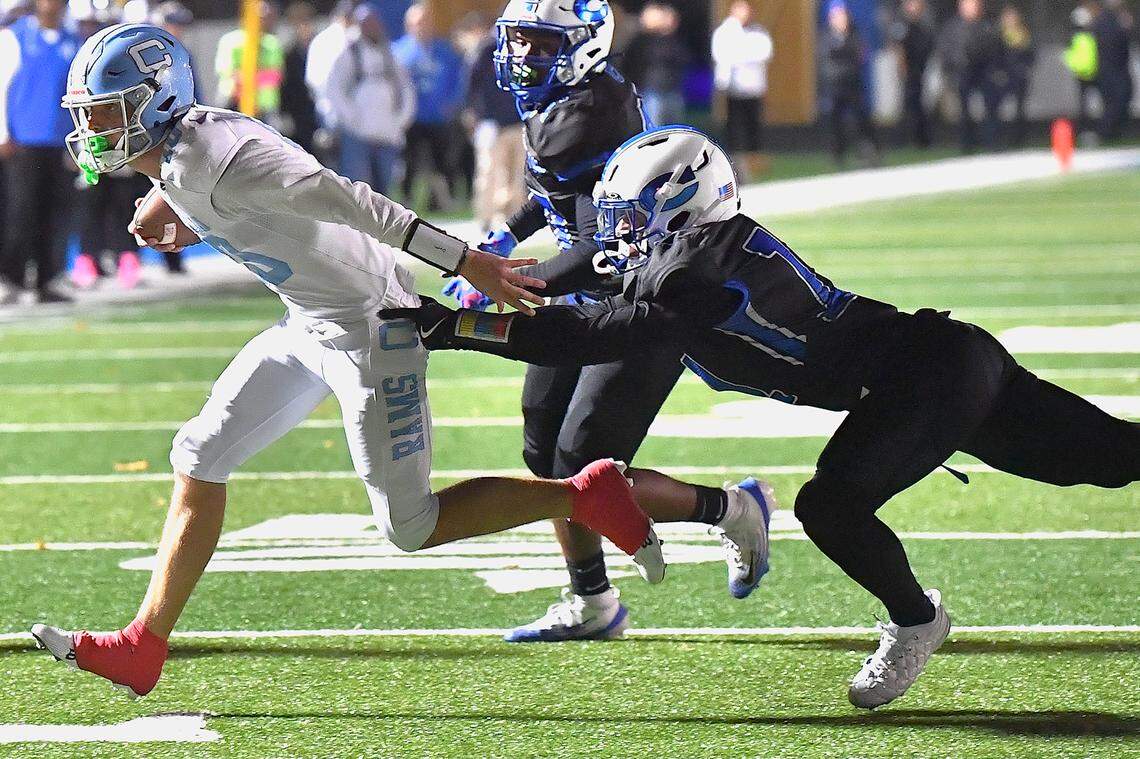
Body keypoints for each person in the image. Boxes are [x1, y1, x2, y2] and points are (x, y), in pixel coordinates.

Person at [29, 24, 777, 700]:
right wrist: (181, 210)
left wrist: (471, 262)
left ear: (157, 104)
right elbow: (248, 204)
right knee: (199, 451)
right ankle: (143, 643)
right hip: (311, 322)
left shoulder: (218, 164)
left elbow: (358, 204)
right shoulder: (188, 159)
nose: (93, 129)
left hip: (369, 327)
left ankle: (582, 494)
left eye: (105, 111)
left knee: (411, 525)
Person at [390, 125, 1140, 708]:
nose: (618, 230)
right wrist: (485, 275)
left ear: (681, 202)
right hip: (937, 363)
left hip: (928, 376)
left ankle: (917, 619)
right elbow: (584, 267)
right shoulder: (699, 247)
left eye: (631, 215)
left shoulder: (694, 273)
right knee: (1108, 460)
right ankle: (917, 616)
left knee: (831, 505)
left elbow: (585, 334)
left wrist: (454, 328)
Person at [442, 0, 772, 643]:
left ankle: (732, 509)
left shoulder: (590, 113)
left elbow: (603, 246)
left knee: (584, 457)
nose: (521, 56)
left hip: (638, 295)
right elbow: (555, 195)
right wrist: (505, 239)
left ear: (584, 45)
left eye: (539, 44)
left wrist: (514, 282)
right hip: (579, 288)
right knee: (543, 450)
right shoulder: (565, 102)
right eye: (520, 41)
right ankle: (591, 599)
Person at [0, 0, 78, 304]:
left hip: (59, 141)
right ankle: (11, 277)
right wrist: (4, 133)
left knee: (55, 214)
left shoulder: (73, 42)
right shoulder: (14, 37)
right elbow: (2, 86)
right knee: (21, 212)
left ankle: (48, 279)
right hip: (23, 141)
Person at [325, 4, 415, 194]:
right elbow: (334, 88)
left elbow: (406, 88)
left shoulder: (390, 54)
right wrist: (351, 117)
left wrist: (401, 119)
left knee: (385, 187)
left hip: (387, 131)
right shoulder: (349, 53)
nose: (372, 28)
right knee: (359, 187)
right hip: (357, 132)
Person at [392, 3, 465, 211]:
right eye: (418, 23)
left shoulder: (444, 50)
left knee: (444, 162)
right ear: (409, 25)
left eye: (426, 22)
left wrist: (452, 103)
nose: (422, 27)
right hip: (410, 119)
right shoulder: (398, 51)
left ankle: (441, 202)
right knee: (409, 163)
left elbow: (458, 79)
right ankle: (406, 201)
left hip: (439, 117)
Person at [458, 11, 525, 232]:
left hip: (514, 119)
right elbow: (471, 86)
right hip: (493, 122)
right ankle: (487, 217)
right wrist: (475, 114)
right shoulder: (486, 49)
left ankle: (510, 217)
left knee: (515, 173)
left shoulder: (519, 48)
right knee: (490, 172)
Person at [711, 0, 773, 179]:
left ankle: (753, 162)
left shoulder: (758, 31)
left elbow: (764, 52)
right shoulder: (724, 32)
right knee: (734, 126)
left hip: (753, 87)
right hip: (733, 88)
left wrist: (740, 54)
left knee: (753, 125)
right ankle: (735, 162)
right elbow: (723, 55)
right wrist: (744, 54)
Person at [819, 0, 880, 166]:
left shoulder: (855, 35)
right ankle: (837, 154)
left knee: (861, 119)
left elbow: (860, 55)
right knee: (835, 122)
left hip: (853, 84)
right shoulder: (826, 36)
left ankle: (867, 151)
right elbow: (827, 58)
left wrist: (843, 53)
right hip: (835, 86)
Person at [938, 0, 1001, 153]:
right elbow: (945, 51)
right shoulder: (952, 27)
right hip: (962, 72)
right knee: (964, 111)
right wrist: (950, 71)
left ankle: (991, 142)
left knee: (990, 107)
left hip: (984, 71)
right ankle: (966, 144)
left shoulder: (987, 25)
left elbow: (995, 48)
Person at [621, 3, 690, 127]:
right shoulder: (642, 41)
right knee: (654, 129)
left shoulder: (675, 41)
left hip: (673, 90)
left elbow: (684, 60)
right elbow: (631, 63)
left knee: (675, 130)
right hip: (651, 91)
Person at [215, 0, 285, 121]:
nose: (262, 21)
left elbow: (275, 75)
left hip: (263, 107)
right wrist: (250, 79)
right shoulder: (230, 41)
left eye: (265, 18)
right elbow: (226, 71)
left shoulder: (272, 44)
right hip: (232, 102)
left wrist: (249, 79)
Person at [890, 0, 935, 148]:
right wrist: (903, 70)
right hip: (909, 71)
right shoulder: (902, 24)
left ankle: (921, 140)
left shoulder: (923, 25)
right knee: (908, 104)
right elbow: (899, 49)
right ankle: (907, 139)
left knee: (918, 104)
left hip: (919, 69)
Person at [279, 1, 320, 153]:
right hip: (300, 118)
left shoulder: (322, 49)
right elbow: (285, 88)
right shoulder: (289, 54)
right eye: (299, 21)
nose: (304, 25)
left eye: (306, 20)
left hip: (320, 114)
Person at [1091, 0, 1133, 140]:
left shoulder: (1117, 18)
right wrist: (1124, 29)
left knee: (1120, 100)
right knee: (1115, 102)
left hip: (1116, 67)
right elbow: (1114, 41)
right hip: (1110, 68)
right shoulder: (1107, 20)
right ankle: (1105, 132)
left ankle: (1113, 132)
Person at [996, 4, 1034, 148]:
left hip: (1019, 75)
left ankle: (1019, 137)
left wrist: (1026, 68)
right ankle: (1000, 136)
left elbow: (1030, 54)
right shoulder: (999, 34)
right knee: (998, 107)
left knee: (1019, 108)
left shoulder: (1024, 34)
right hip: (1004, 75)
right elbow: (997, 54)